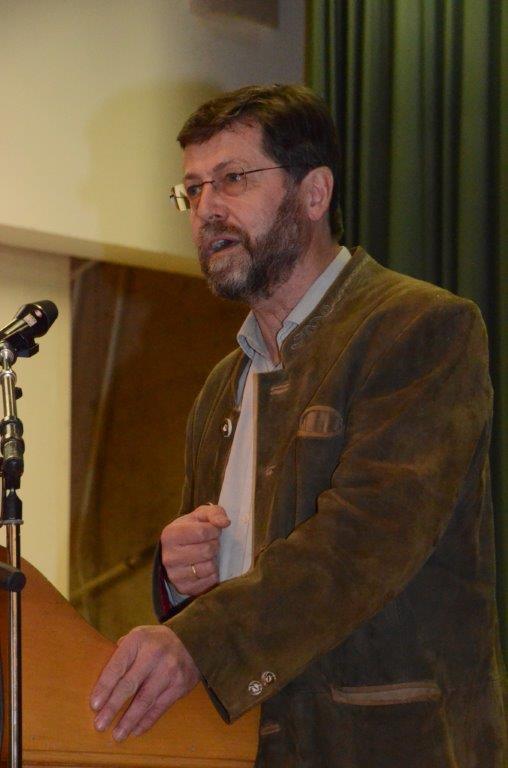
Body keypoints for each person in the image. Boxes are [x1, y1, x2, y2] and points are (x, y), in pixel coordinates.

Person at [90, 84, 506, 767]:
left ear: (314, 194)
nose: (207, 209)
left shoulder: (418, 328)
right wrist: (181, 574)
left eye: (232, 179)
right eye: (192, 189)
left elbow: (364, 543)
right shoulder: (220, 389)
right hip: (246, 749)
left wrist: (199, 641)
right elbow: (230, 597)